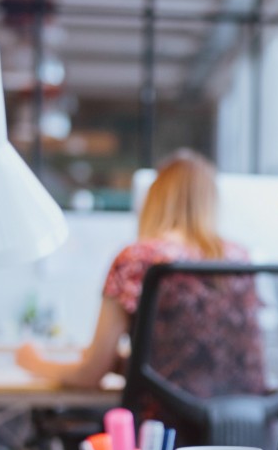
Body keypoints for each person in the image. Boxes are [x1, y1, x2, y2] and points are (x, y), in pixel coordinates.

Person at [15, 148, 259, 395]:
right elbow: (203, 365)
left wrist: (32, 361)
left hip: (164, 428)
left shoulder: (137, 259)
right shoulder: (240, 259)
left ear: (155, 199)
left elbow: (90, 374)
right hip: (245, 425)